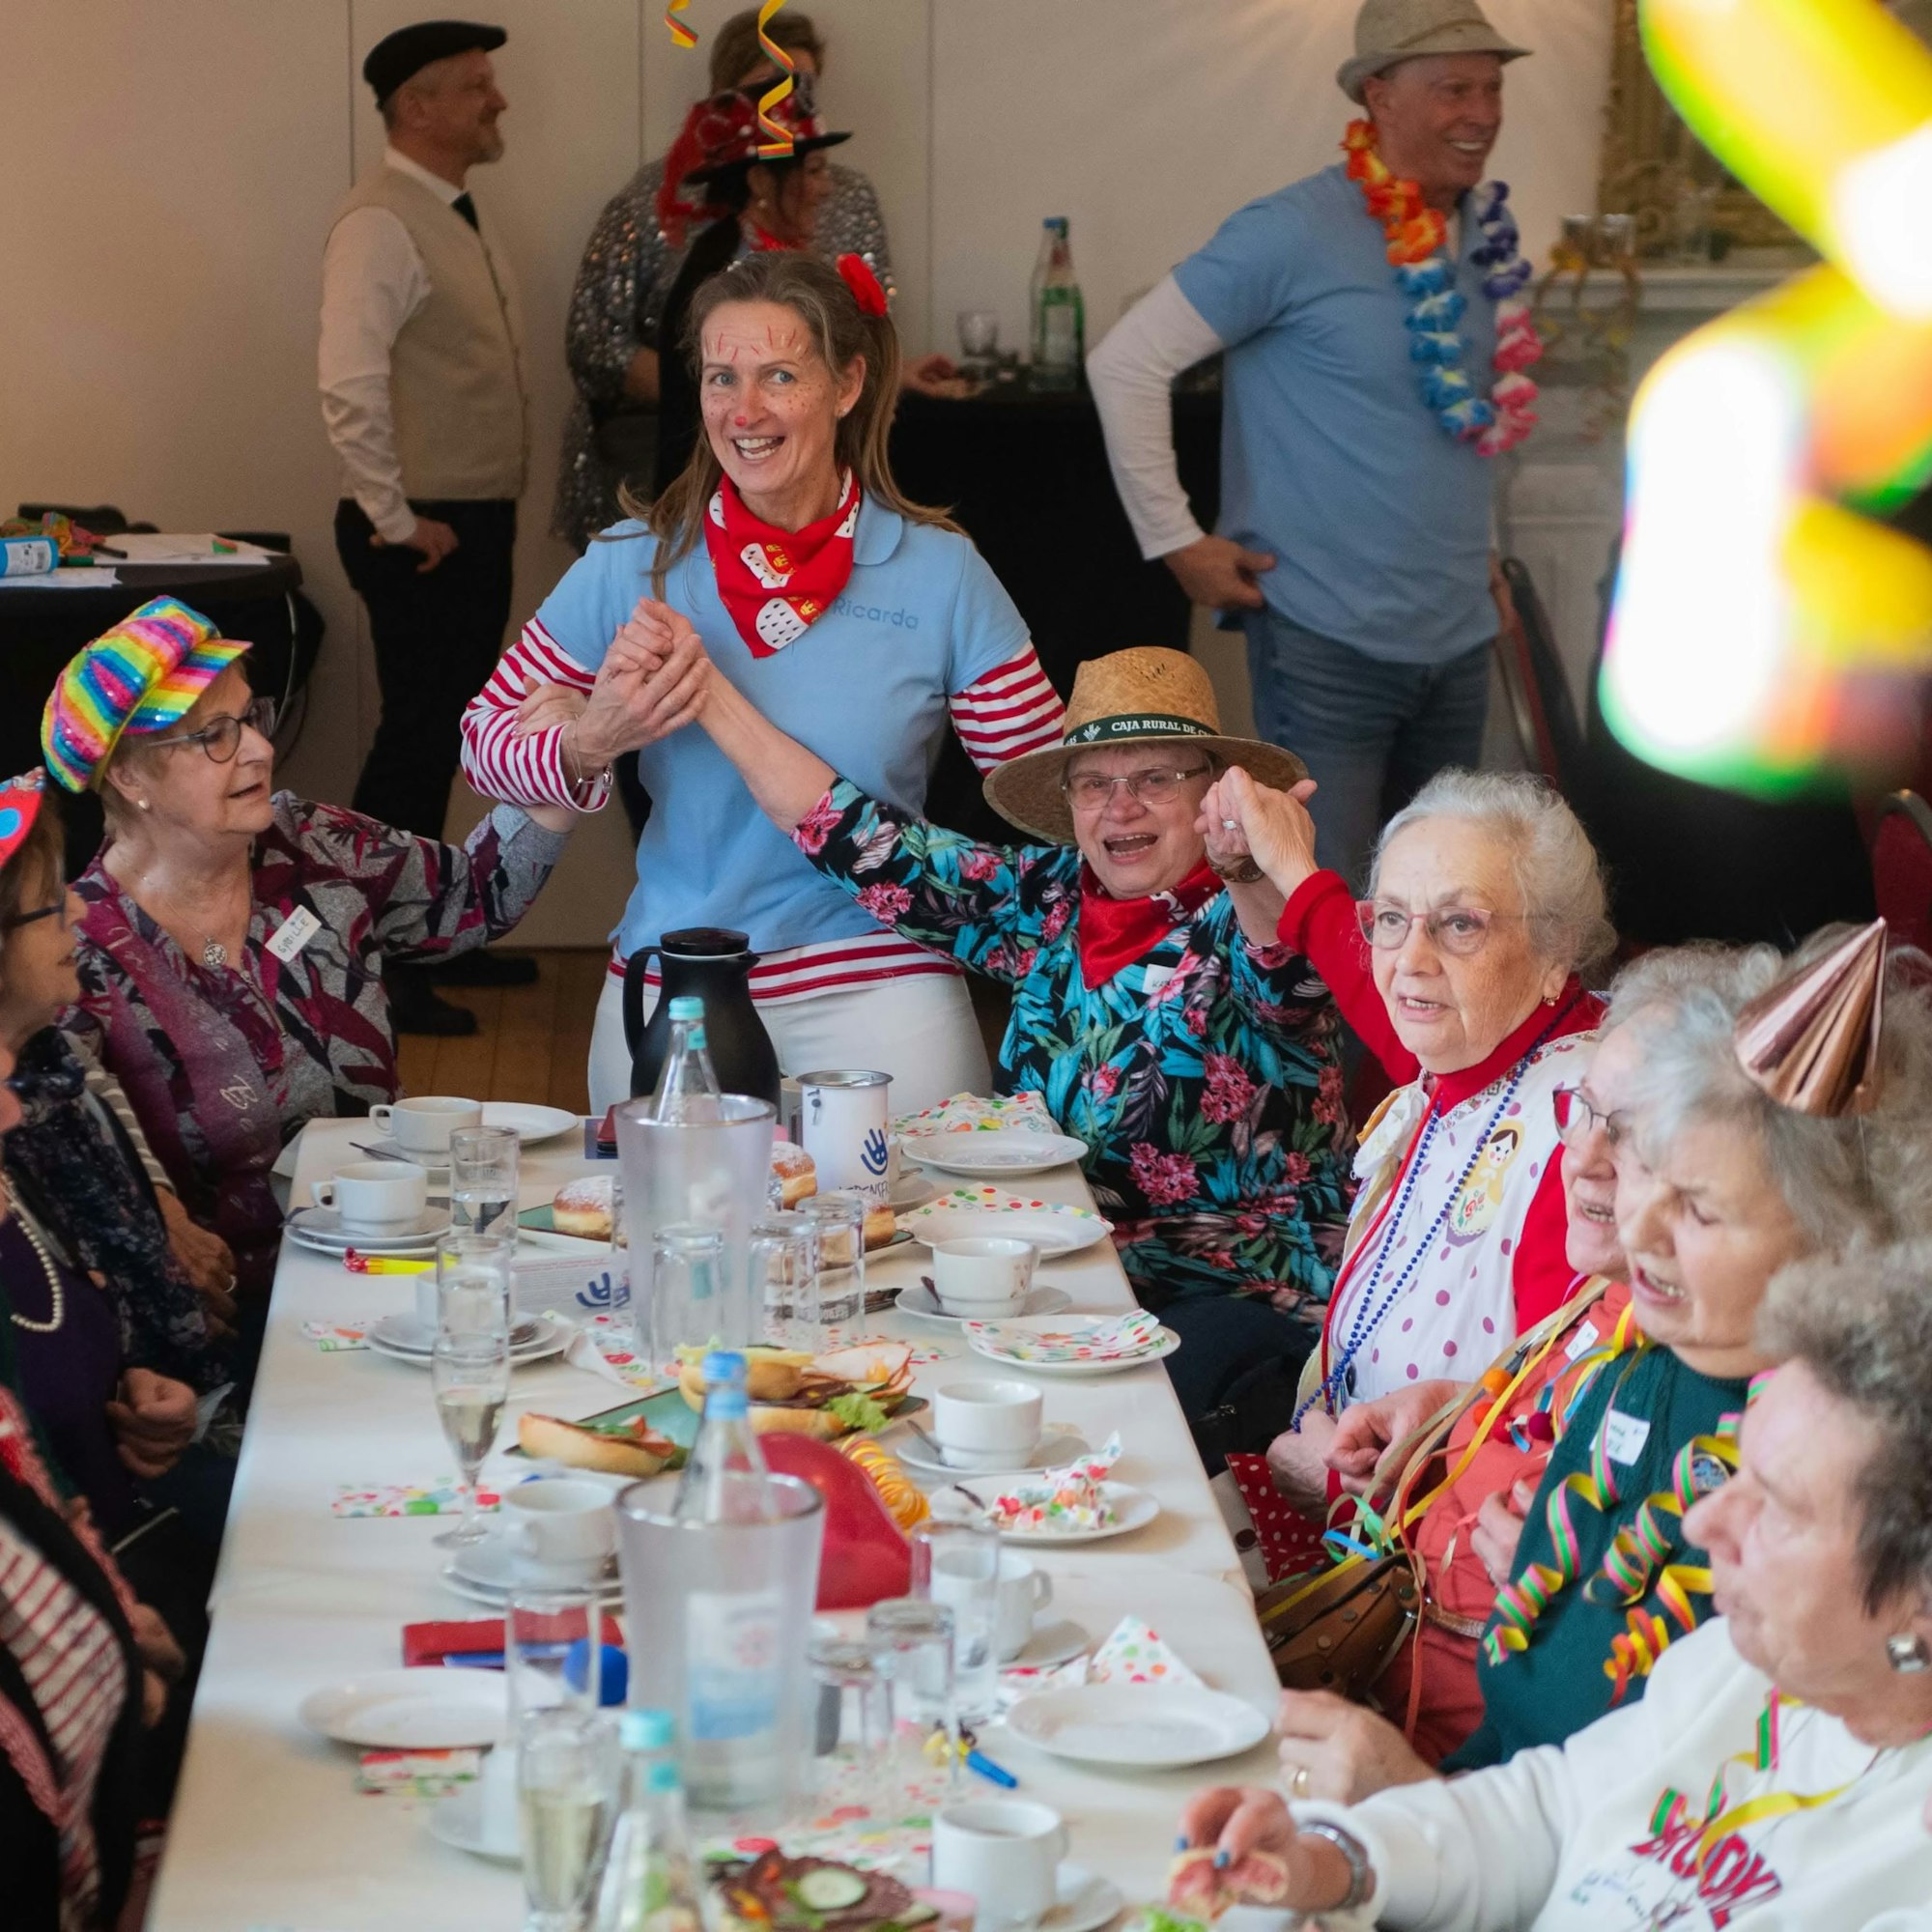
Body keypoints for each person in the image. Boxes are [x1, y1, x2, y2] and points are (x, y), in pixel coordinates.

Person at [621, 635, 1354, 1442]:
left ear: (1212, 795)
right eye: (1095, 784)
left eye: (1156, 779)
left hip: (1230, 1298)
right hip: (1061, 1282)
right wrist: (706, 692)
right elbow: (862, 842)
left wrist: (1251, 867)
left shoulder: (1245, 916)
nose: (1122, 807)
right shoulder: (1050, 901)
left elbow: (1286, 974)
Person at [1268, 932, 1932, 1804]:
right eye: (1645, 1168)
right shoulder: (1648, 1359)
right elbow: (1521, 1719)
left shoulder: (1820, 1469)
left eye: (1699, 1210)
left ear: (1834, 1243)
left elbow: (1692, 1827)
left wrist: (1413, 1805)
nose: (1638, 1225)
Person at [462, 249, 1065, 1117]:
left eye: (779, 375)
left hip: (882, 984)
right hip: (678, 984)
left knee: (918, 1213)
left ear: (847, 384)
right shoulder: (632, 565)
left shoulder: (941, 574)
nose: (744, 411)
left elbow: (1049, 796)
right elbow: (481, 744)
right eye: (722, 378)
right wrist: (591, 741)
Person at [1178, 1238, 1932, 1931]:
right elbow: (1555, 1809)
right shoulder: (1743, 1669)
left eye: (1781, 1507)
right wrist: (1340, 1861)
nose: (1706, 1523)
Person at [1089, 0, 1538, 886]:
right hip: (1327, 638)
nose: (1482, 113)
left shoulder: (1485, 240)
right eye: (1454, 89)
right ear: (1380, 95)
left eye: (1492, 89)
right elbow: (1125, 362)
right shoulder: (1290, 230)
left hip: (1456, 633)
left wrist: (1484, 550)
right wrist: (1175, 541)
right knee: (1326, 900)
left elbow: (1458, 419)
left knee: (1444, 894)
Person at [43, 599, 572, 1295]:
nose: (260, 749)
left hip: (395, 1253)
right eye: (215, 736)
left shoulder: (310, 843)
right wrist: (157, 1228)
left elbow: (475, 893)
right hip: (227, 1308)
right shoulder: (77, 952)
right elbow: (62, 1156)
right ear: (129, 776)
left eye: (250, 717)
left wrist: (572, 756)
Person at [1208, 765, 1609, 1535]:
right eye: (1391, 918)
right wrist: (1290, 870)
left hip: (1435, 1552)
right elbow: (1370, 972)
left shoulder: (1584, 1130)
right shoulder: (1469, 1050)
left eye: (1461, 924)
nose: (1410, 960)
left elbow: (1562, 1445)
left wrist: (1344, 1486)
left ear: (1556, 948)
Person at [320, 16, 532, 1036]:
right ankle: (381, 968)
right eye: (477, 85)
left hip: (460, 521)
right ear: (419, 106)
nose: (498, 100)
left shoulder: (444, 210)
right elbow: (348, 382)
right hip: (422, 532)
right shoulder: (380, 220)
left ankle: (431, 937)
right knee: (412, 743)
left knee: (442, 737)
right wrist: (396, 519)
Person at [556, 7, 951, 550]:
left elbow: (849, 333)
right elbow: (595, 345)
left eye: (802, 87)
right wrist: (731, 391)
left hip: (802, 475)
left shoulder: (845, 197)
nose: (787, 102)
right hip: (685, 472)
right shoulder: (677, 225)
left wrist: (881, 373)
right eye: (773, 85)